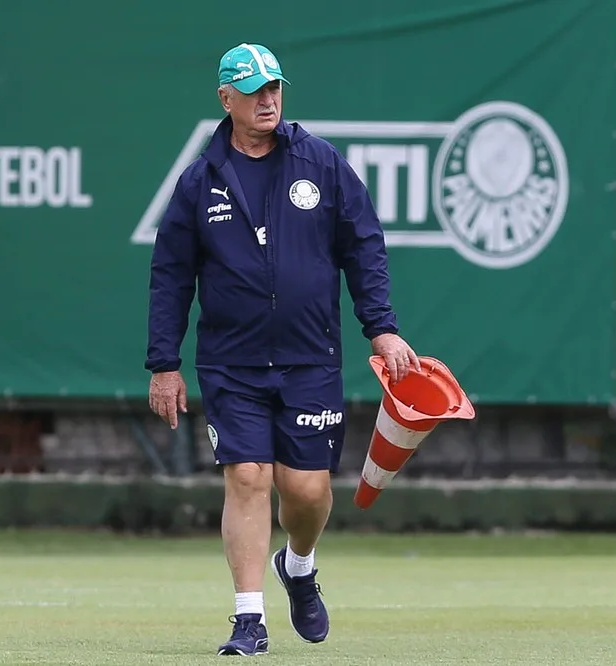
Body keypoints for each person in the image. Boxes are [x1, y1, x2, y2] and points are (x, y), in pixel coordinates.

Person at [144, 42, 419, 656]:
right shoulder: (199, 181)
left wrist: (382, 325)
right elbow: (170, 275)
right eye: (253, 90)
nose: (267, 99)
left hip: (309, 359)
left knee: (306, 491)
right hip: (231, 364)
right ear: (226, 99)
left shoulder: (321, 163)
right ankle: (248, 618)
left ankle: (298, 564)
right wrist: (164, 362)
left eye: (274, 87)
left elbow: (364, 246)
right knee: (246, 477)